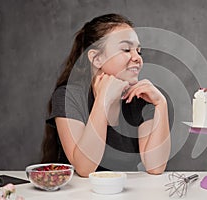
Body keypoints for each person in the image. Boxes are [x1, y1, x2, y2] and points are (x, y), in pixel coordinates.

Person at [41, 13, 171, 177]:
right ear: (96, 58)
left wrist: (161, 104)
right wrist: (103, 99)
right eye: (126, 49)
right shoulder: (68, 97)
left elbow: (155, 167)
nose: (137, 58)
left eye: (139, 51)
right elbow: (84, 168)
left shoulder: (141, 99)